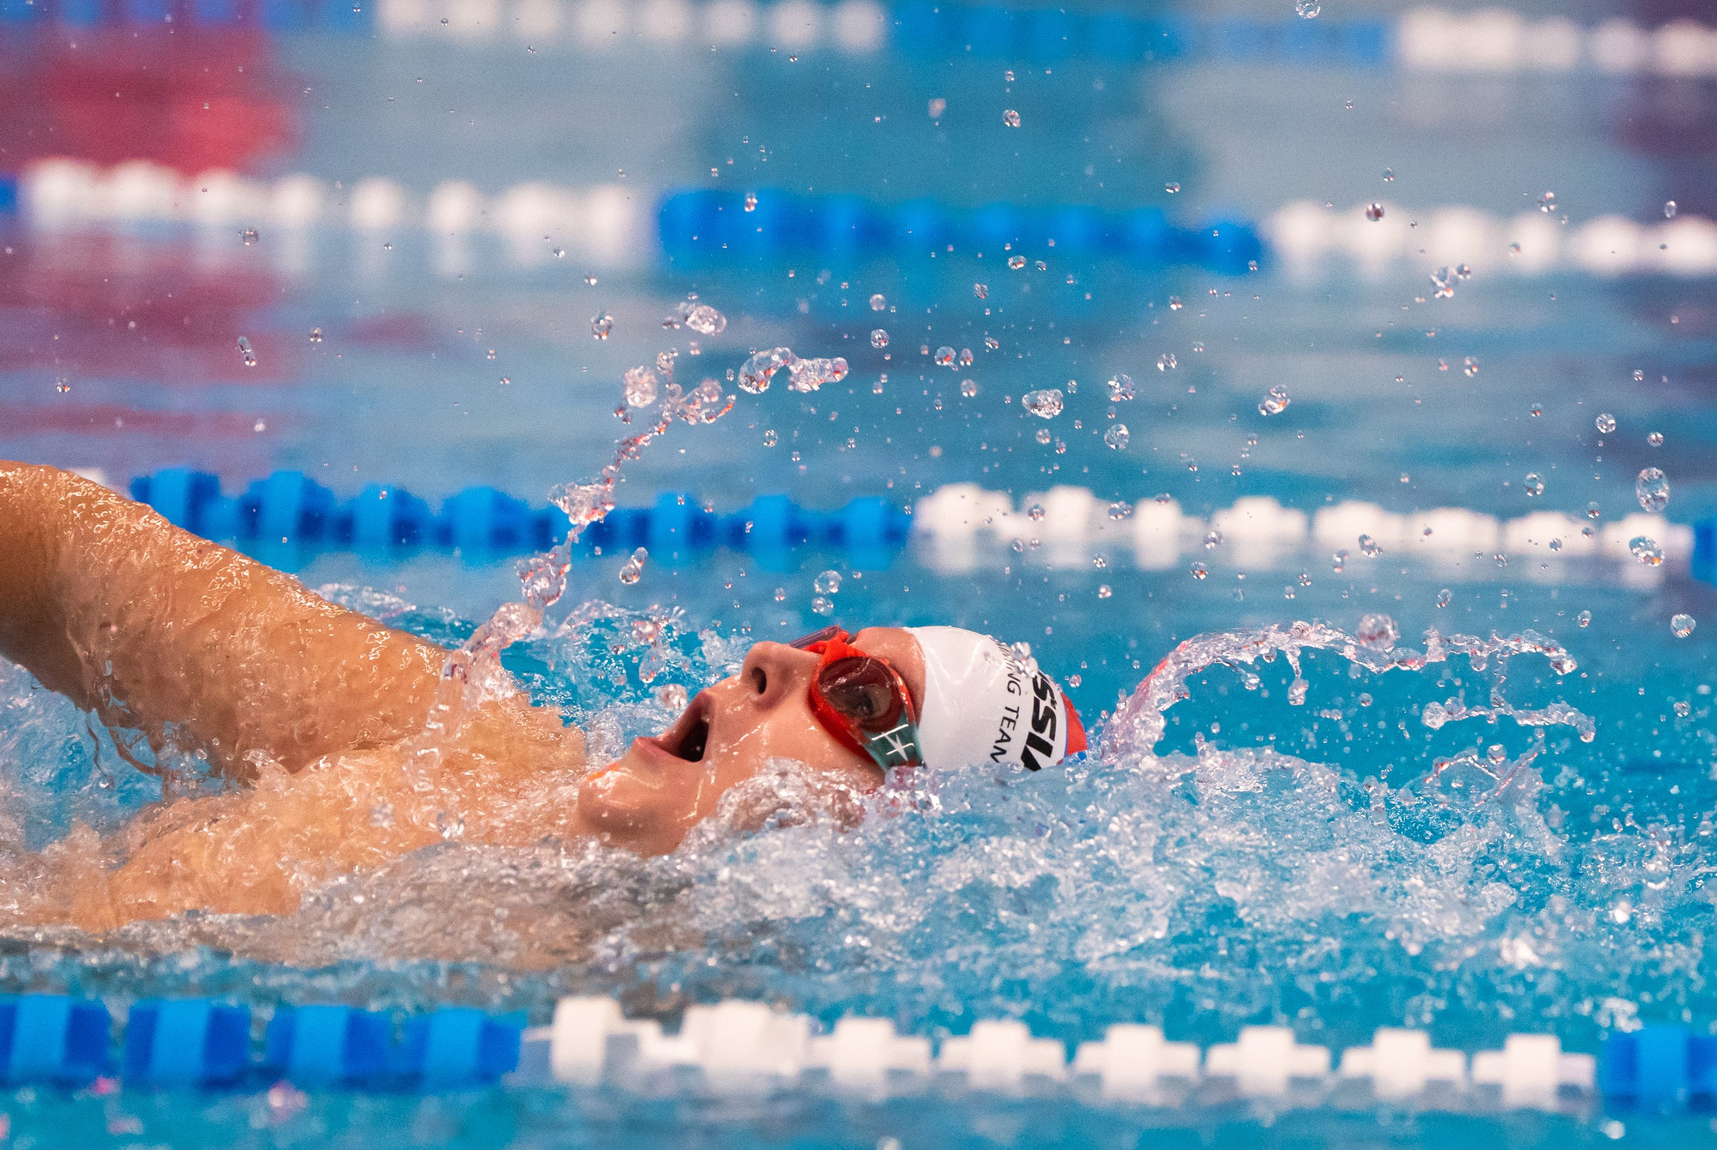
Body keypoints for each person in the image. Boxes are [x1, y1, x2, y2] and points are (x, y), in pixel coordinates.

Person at [0, 462, 1083, 930]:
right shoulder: (458, 740)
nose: (770, 657)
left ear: (894, 828)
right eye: (820, 642)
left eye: (855, 690)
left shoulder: (631, 1030)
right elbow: (55, 554)